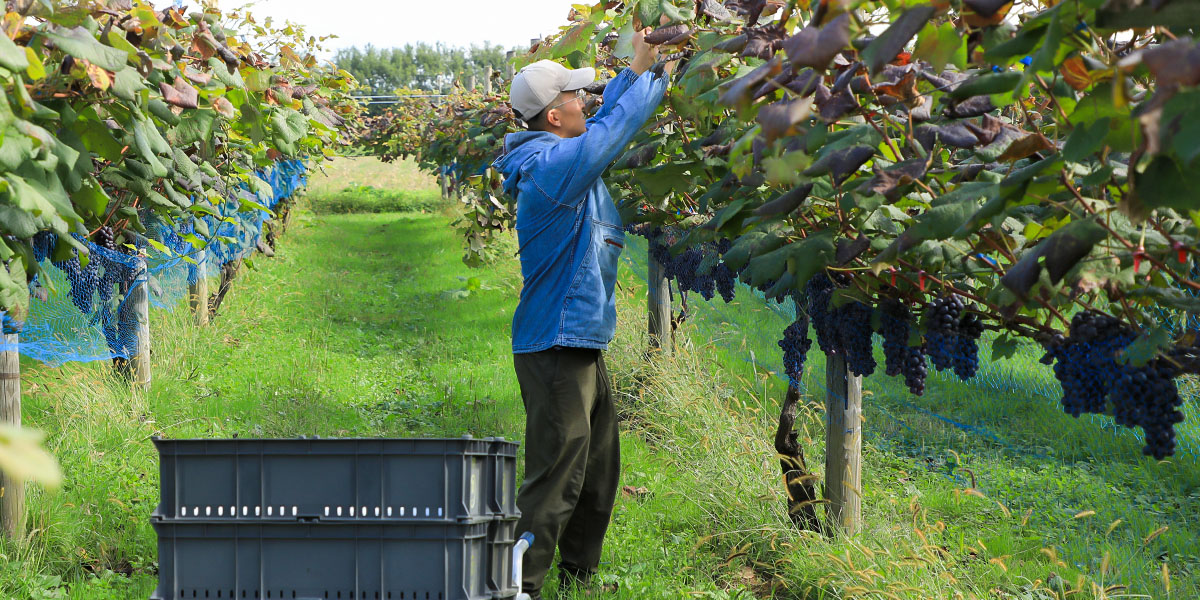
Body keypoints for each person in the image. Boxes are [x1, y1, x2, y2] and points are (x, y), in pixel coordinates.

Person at [492, 28, 676, 599]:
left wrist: (635, 67)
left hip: (579, 340)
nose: (585, 101)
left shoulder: (561, 158)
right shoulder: (553, 169)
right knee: (556, 476)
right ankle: (518, 585)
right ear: (553, 116)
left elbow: (599, 125)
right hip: (554, 345)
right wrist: (650, 76)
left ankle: (578, 575)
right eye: (575, 97)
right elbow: (610, 132)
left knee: (597, 469)